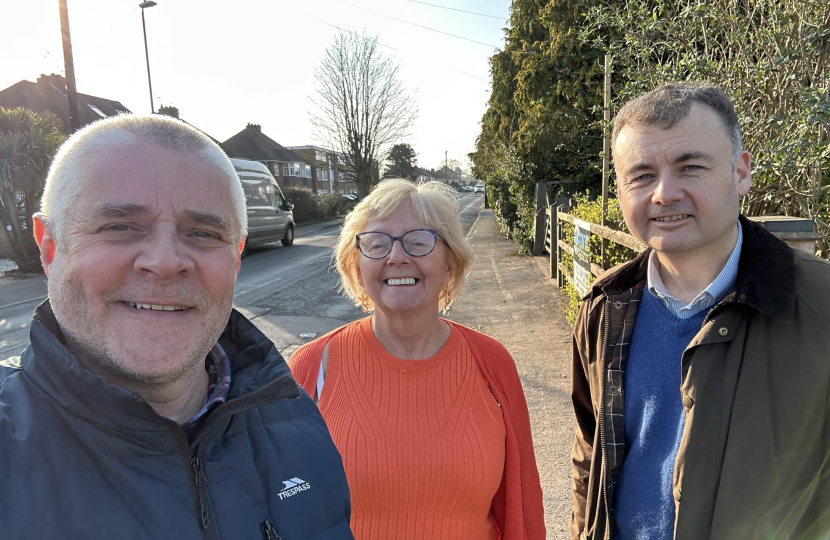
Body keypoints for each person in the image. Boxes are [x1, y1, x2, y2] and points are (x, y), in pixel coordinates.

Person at [0, 115, 354, 539]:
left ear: (236, 257)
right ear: (50, 247)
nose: (166, 262)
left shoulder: (296, 422)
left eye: (203, 233)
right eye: (120, 227)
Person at [570, 83, 830, 540]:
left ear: (741, 172)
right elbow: (590, 455)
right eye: (642, 175)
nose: (664, 193)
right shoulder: (604, 306)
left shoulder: (818, 304)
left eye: (690, 167)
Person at [288, 179, 546, 540]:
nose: (397, 257)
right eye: (377, 244)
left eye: (419, 241)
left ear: (450, 263)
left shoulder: (492, 362)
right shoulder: (311, 368)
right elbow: (283, 509)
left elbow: (525, 503)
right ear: (357, 267)